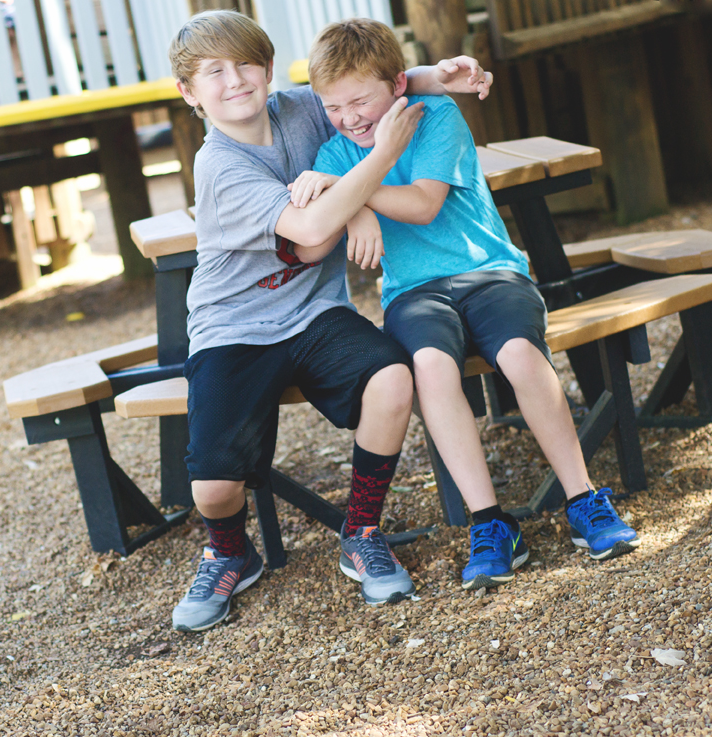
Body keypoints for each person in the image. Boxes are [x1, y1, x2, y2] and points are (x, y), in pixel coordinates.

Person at [166, 10, 493, 631]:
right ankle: (228, 551)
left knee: (393, 378)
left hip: (316, 311)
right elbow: (314, 229)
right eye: (214, 72)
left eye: (246, 65)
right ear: (190, 93)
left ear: (268, 70)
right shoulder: (217, 166)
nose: (234, 81)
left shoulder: (298, 108)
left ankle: (361, 529)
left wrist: (438, 76)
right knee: (212, 488)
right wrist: (372, 176)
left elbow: (363, 94)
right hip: (234, 325)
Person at [301, 18, 639, 592]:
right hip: (413, 293)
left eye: (361, 100)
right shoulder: (333, 152)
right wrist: (346, 195)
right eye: (334, 107)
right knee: (430, 368)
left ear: (397, 85)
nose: (350, 117)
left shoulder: (434, 118)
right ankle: (491, 523)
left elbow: (424, 204)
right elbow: (314, 227)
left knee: (521, 357)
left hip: (490, 273)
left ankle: (584, 499)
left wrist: (346, 190)